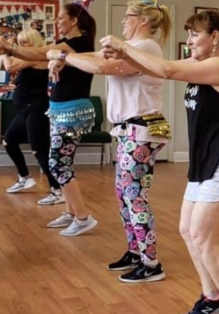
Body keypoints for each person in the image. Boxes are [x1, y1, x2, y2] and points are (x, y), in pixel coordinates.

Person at [100, 10, 219, 314]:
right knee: (187, 229)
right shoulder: (201, 66)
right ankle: (211, 295)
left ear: (215, 37)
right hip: (206, 156)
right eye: (187, 36)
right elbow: (161, 69)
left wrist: (124, 47)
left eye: (195, 36)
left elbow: (167, 69)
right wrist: (123, 56)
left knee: (204, 235)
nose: (189, 42)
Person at [56, 0, 172, 282]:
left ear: (142, 21)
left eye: (127, 16)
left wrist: (64, 56)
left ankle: (151, 262)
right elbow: (98, 57)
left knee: (135, 197)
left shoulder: (145, 48)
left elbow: (106, 68)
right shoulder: (132, 47)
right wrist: (61, 55)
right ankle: (135, 251)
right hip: (129, 131)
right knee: (124, 195)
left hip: (141, 131)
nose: (123, 21)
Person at [0, 1, 99, 236]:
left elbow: (40, 52)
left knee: (58, 163)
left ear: (74, 20)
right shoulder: (70, 45)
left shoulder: (78, 43)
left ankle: (82, 217)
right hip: (61, 109)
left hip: (72, 110)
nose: (58, 21)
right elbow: (45, 57)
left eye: (61, 17)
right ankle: (72, 212)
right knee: (62, 163)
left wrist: (10, 48)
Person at [0, 28, 64, 205]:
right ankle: (24, 177)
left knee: (39, 150)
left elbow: (9, 67)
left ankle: (57, 190)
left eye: (25, 42)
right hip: (24, 110)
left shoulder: (36, 57)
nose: (21, 46)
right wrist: (4, 53)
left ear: (34, 43)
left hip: (36, 109)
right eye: (19, 42)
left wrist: (5, 51)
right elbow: (0, 66)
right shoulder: (23, 58)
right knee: (9, 141)